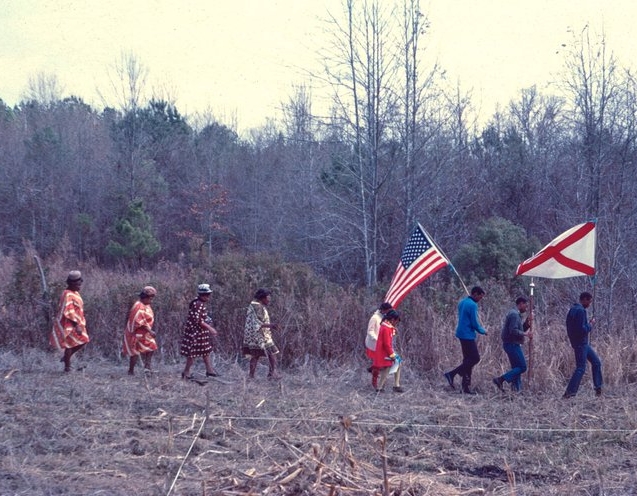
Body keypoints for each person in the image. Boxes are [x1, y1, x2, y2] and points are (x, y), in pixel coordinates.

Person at [444, 286, 487, 394]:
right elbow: (474, 323)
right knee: (475, 358)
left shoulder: (462, 302)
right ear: (475, 294)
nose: (480, 299)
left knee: (468, 361)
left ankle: (465, 387)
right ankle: (452, 374)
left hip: (461, 333)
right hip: (467, 335)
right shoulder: (472, 305)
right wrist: (483, 331)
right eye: (480, 297)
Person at [563, 291, 603, 398]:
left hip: (581, 343)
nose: (589, 304)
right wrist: (590, 325)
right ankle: (569, 394)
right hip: (581, 343)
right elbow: (581, 330)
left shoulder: (572, 310)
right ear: (584, 299)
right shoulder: (580, 311)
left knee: (596, 362)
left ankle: (598, 389)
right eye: (589, 301)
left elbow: (573, 328)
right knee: (581, 368)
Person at [50, 270, 90, 372]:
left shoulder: (74, 293)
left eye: (80, 283)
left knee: (83, 341)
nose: (79, 285)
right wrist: (76, 325)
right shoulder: (67, 294)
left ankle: (66, 359)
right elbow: (69, 311)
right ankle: (67, 367)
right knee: (70, 344)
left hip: (77, 322)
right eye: (78, 284)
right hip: (69, 323)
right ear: (71, 283)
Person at [493, 296, 532, 392]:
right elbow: (513, 331)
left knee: (516, 368)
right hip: (512, 344)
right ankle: (501, 379)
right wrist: (526, 334)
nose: (526, 308)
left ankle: (516, 391)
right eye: (525, 306)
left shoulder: (516, 314)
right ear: (520, 304)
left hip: (511, 344)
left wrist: (527, 323)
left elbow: (519, 329)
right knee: (522, 367)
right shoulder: (514, 315)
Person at [180, 284, 219, 380]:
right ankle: (186, 372)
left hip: (201, 332)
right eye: (206, 295)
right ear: (201, 295)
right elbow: (198, 321)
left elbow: (202, 317)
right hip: (195, 332)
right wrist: (210, 328)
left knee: (205, 350)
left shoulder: (200, 303)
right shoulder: (197, 304)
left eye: (208, 295)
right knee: (192, 352)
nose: (208, 297)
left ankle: (210, 371)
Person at [242, 288, 281, 379]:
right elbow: (257, 323)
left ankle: (254, 376)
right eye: (268, 297)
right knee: (271, 353)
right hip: (259, 335)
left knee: (257, 355)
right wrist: (272, 325)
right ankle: (271, 374)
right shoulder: (257, 306)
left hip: (256, 334)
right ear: (262, 298)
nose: (269, 299)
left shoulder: (255, 305)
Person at [122, 286, 158, 375]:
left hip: (143, 333)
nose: (151, 300)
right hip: (136, 332)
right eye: (150, 298)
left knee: (151, 347)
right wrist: (150, 331)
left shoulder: (145, 305)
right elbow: (139, 322)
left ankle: (147, 368)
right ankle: (131, 371)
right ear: (145, 297)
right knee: (135, 352)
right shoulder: (139, 306)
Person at [370, 309, 404, 393]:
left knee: (397, 364)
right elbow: (387, 344)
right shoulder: (386, 328)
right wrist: (392, 355)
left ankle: (395, 385)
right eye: (396, 321)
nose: (396, 323)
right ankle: (381, 387)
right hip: (384, 352)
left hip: (384, 351)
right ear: (392, 319)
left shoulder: (385, 326)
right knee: (387, 368)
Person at [365, 302, 393, 370]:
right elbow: (370, 331)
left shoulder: (384, 318)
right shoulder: (374, 318)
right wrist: (377, 339)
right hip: (374, 344)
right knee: (376, 363)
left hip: (380, 344)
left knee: (380, 363)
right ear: (383, 310)